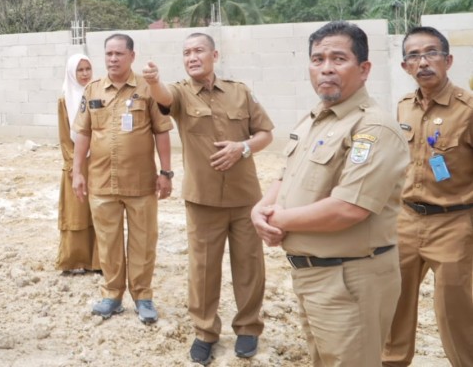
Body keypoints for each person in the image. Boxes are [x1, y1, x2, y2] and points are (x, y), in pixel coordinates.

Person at [251, 21, 407, 367]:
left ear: (364, 69)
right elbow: (286, 176)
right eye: (317, 59)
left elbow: (349, 208)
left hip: (350, 279)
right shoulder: (314, 120)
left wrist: (278, 220)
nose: (326, 68)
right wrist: (260, 210)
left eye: (339, 59)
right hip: (312, 276)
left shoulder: (373, 127)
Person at [142, 32, 273, 364]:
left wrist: (241, 148)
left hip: (245, 199)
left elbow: (266, 134)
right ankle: (205, 332)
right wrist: (154, 81)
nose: (192, 57)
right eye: (186, 53)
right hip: (202, 201)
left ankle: (247, 329)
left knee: (249, 267)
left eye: (198, 50)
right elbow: (164, 98)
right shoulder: (181, 94)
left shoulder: (240, 92)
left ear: (214, 55)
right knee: (203, 270)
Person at [382, 26, 473, 367]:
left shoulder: (468, 109)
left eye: (431, 53)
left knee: (456, 310)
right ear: (405, 66)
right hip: (405, 220)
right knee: (394, 303)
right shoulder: (404, 106)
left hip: (453, 222)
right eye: (414, 56)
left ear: (448, 60)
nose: (423, 62)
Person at [72, 33, 174, 325]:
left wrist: (166, 172)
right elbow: (83, 133)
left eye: (119, 54)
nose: (113, 59)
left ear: (132, 56)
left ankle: (143, 297)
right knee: (108, 241)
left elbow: (162, 131)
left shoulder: (147, 89)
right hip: (101, 181)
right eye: (108, 54)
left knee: (143, 241)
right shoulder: (92, 91)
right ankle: (112, 296)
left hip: (141, 182)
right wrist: (78, 172)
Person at [56, 54, 102, 274]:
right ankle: (75, 260)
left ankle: (99, 261)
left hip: (100, 161)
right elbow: (66, 137)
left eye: (88, 69)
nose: (84, 74)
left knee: (101, 210)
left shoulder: (99, 94)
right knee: (76, 210)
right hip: (76, 163)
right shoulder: (65, 100)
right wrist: (73, 167)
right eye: (80, 70)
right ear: (72, 73)